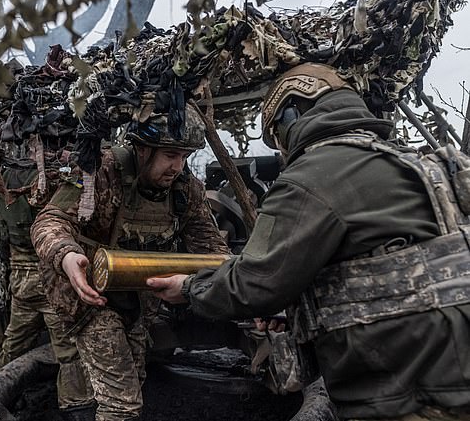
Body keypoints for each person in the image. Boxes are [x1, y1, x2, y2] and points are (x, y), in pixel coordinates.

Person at [147, 63, 470, 420]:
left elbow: (255, 283)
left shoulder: (311, 178)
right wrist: (301, 309)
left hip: (403, 391)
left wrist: (190, 289)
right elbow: (389, 272)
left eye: (278, 133)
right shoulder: (417, 165)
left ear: (292, 114)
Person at [30, 104, 230, 421]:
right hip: (90, 298)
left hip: (142, 300)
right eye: (169, 155)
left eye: (184, 156)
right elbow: (49, 222)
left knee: (134, 379)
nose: (177, 166)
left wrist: (241, 284)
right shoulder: (100, 170)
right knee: (121, 404)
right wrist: (67, 254)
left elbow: (213, 251)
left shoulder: (184, 191)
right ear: (142, 148)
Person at [0, 144, 95, 421]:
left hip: (20, 278)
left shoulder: (2, 177)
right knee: (68, 349)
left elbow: (1, 235)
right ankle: (77, 408)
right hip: (50, 276)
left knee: (14, 342)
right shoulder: (50, 180)